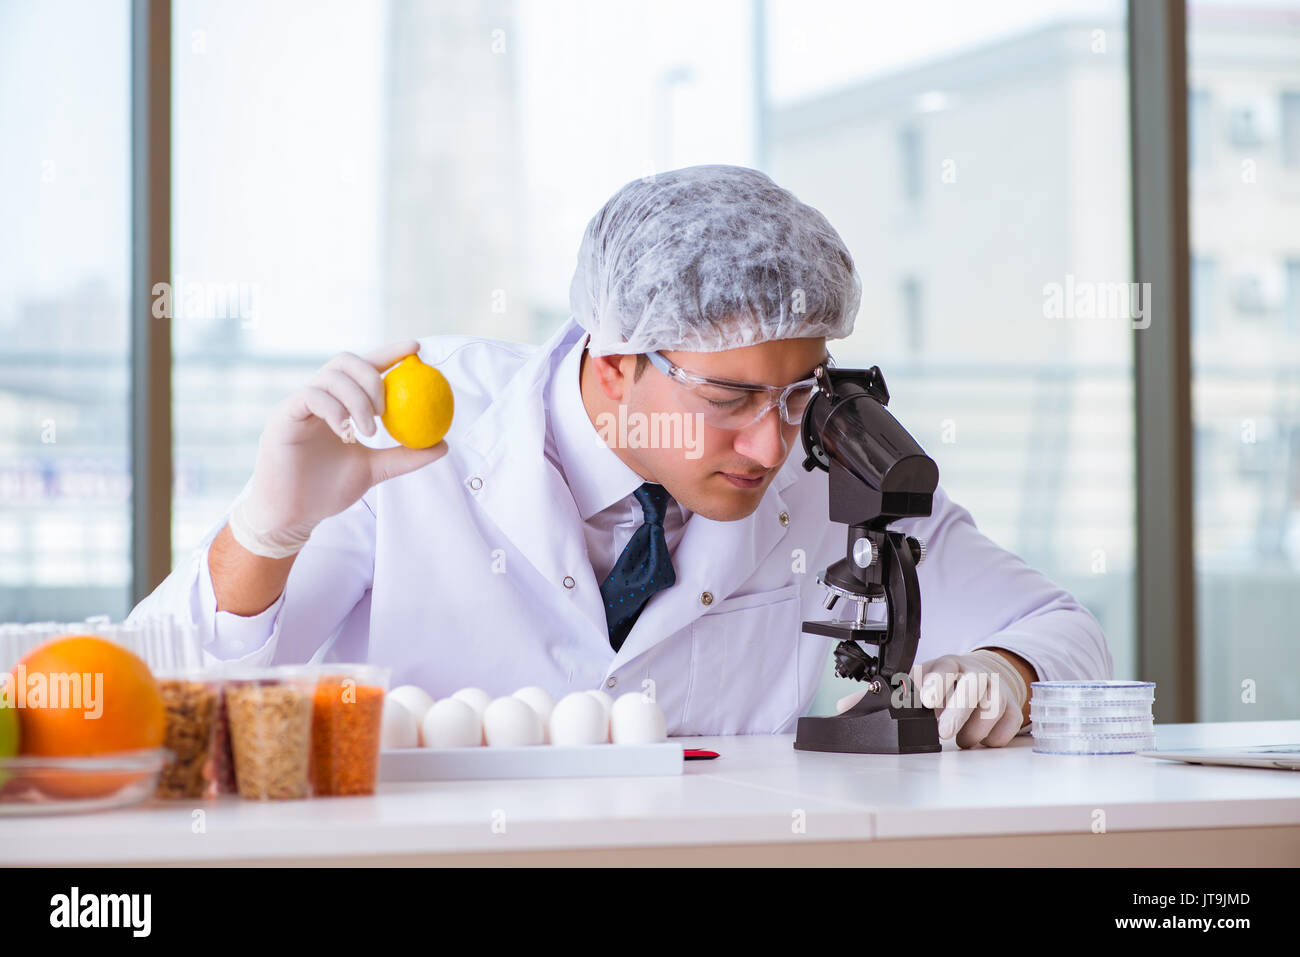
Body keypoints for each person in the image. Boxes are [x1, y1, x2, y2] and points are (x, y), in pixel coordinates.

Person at [128, 165, 1112, 747]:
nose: (772, 443)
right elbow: (157, 707)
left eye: (800, 390)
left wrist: (1004, 666)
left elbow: (1062, 629)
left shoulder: (820, 460)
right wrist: (270, 531)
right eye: (727, 398)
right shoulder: (411, 439)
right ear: (611, 368)